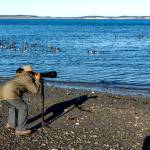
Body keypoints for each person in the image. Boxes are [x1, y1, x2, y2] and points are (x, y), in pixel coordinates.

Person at [0, 65, 41, 136]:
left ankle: (11, 124)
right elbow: (35, 90)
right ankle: (21, 130)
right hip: (10, 94)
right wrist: (37, 80)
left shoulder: (16, 76)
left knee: (13, 106)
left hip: (1, 94)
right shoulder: (27, 77)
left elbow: (23, 87)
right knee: (23, 107)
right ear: (29, 72)